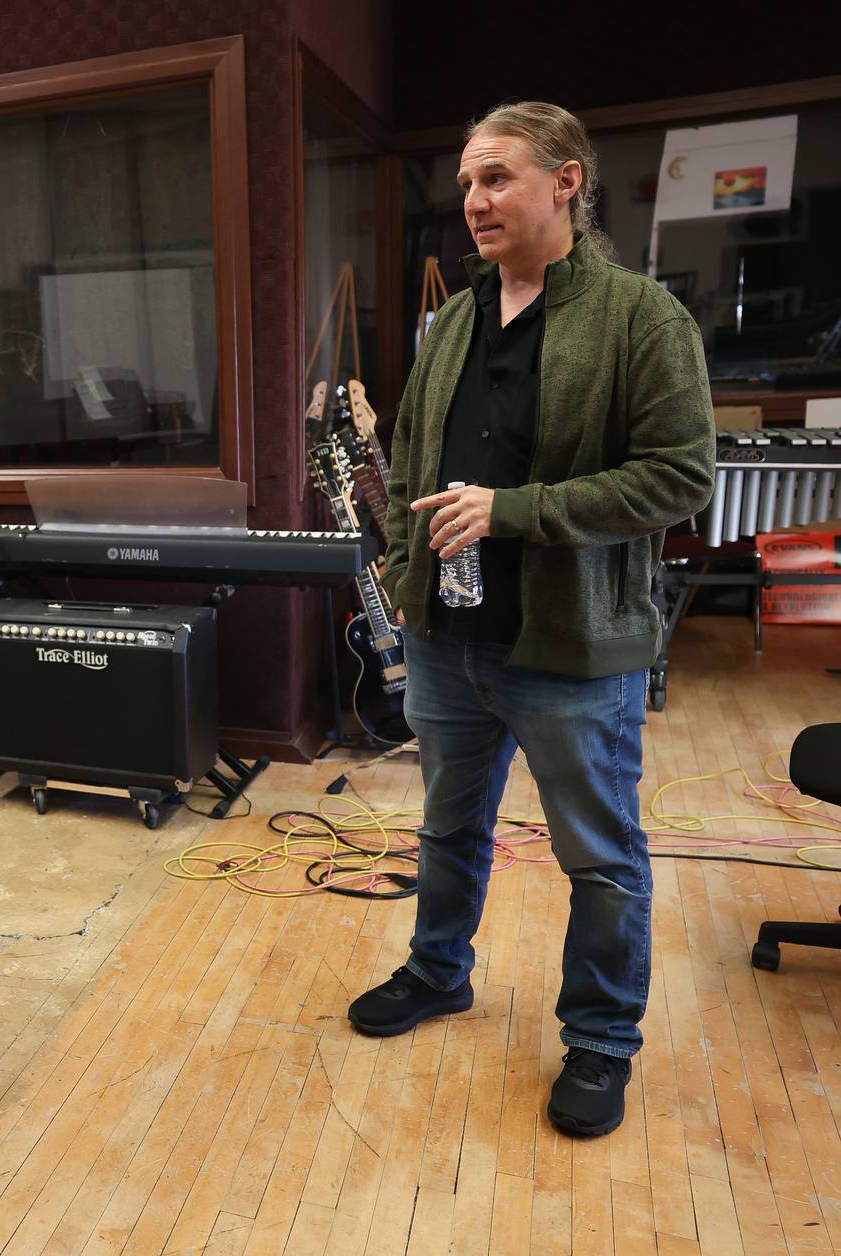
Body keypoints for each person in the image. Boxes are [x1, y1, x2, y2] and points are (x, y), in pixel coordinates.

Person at [346, 101, 714, 1137]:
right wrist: (407, 582)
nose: (474, 201)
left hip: (572, 647)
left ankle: (601, 1040)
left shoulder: (642, 318)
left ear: (566, 182)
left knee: (599, 854)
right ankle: (437, 971)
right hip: (448, 640)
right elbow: (418, 456)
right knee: (447, 823)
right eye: (467, 183)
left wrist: (517, 513)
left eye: (497, 177)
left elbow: (681, 477)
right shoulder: (456, 316)